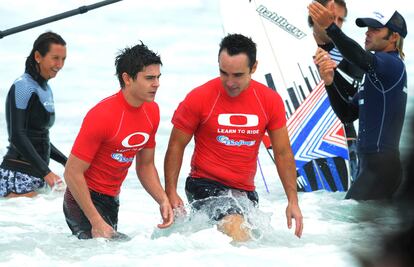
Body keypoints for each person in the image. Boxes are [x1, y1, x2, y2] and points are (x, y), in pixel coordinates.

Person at [164, 33, 303, 242]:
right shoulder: (200, 97)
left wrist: (293, 201)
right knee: (238, 231)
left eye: (237, 75)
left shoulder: (269, 101)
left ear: (253, 68)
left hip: (244, 192)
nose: (229, 82)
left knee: (255, 239)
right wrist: (171, 192)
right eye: (223, 73)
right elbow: (176, 145)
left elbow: (282, 153)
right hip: (204, 185)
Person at [63, 42, 173, 239]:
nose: (156, 84)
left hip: (111, 199)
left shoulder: (152, 112)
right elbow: (72, 172)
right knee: (110, 251)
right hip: (82, 199)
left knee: (112, 254)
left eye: (158, 77)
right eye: (149, 78)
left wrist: (162, 199)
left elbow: (145, 166)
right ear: (127, 78)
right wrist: (96, 221)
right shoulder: (102, 115)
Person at [309, 3, 408, 200]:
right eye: (368, 28)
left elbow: (359, 58)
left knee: (346, 226)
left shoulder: (391, 65)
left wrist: (331, 28)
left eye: (376, 29)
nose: (368, 33)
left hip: (381, 169)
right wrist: (331, 80)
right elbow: (347, 114)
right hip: (371, 168)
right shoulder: (375, 75)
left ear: (394, 37)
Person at [0, 31, 67, 198]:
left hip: (38, 174)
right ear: (38, 56)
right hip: (17, 175)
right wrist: (47, 173)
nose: (60, 64)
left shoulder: (46, 88)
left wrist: (67, 162)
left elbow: (40, 137)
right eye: (55, 58)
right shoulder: (23, 86)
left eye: (63, 59)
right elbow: (17, 135)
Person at [308, 0, 364, 183]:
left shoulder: (350, 53)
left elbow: (351, 106)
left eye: (341, 20)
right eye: (331, 18)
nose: (336, 24)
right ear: (314, 16)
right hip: (303, 140)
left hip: (344, 144)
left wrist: (334, 71)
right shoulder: (294, 47)